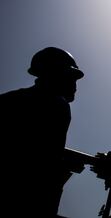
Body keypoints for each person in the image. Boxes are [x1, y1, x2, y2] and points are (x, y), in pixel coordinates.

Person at [0, 47, 84, 217]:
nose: (75, 85)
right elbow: (44, 163)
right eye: (71, 78)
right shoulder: (56, 105)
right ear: (55, 75)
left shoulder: (10, 99)